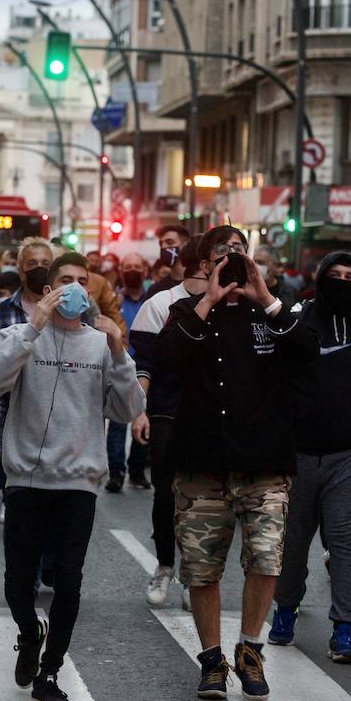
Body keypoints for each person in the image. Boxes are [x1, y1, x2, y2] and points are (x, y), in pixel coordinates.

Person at [0, 252, 144, 701]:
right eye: (65, 281)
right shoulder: (18, 335)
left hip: (79, 481)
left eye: (82, 282)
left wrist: (118, 351)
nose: (74, 289)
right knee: (18, 582)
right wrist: (35, 326)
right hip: (26, 478)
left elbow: (127, 409)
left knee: (68, 581)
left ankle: (49, 672)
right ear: (48, 289)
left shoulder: (99, 344)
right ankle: (30, 634)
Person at [160, 225, 313, 701]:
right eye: (222, 254)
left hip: (264, 462)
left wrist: (264, 295)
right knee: (201, 570)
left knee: (267, 559)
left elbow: (307, 352)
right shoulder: (186, 311)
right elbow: (167, 359)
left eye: (240, 252)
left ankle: (250, 649)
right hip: (202, 464)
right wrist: (208, 300)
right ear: (205, 264)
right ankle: (211, 660)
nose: (232, 259)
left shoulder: (272, 310)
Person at [270, 252, 351, 664]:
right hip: (298, 456)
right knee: (292, 547)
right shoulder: (298, 322)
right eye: (335, 276)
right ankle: (285, 610)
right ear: (319, 278)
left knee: (347, 545)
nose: (344, 283)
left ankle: (345, 629)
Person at [130, 235, 205, 607]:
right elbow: (144, 364)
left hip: (214, 417)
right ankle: (164, 565)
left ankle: (195, 574)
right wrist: (139, 410)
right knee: (166, 494)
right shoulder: (161, 302)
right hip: (167, 412)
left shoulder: (238, 304)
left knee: (204, 498)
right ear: (201, 262)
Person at [0, 240, 55, 527]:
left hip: (55, 420)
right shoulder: (1, 313)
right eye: (32, 264)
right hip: (10, 416)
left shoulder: (69, 311)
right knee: (18, 492)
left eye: (45, 264)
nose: (39, 269)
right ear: (20, 270)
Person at [107, 251, 151, 492]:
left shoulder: (151, 299)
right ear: (121, 270)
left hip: (145, 366)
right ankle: (116, 473)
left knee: (142, 418)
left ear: (144, 270)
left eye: (137, 265)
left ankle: (137, 471)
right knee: (117, 421)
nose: (133, 270)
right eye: (128, 265)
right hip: (120, 364)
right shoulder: (113, 300)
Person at [145, 224, 190, 298]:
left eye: (169, 242)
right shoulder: (155, 290)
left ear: (185, 245)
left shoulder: (196, 285)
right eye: (161, 243)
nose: (163, 247)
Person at [252, 246, 297, 314]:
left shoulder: (289, 292)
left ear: (275, 266)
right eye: (254, 262)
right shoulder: (249, 289)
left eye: (260, 263)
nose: (256, 266)